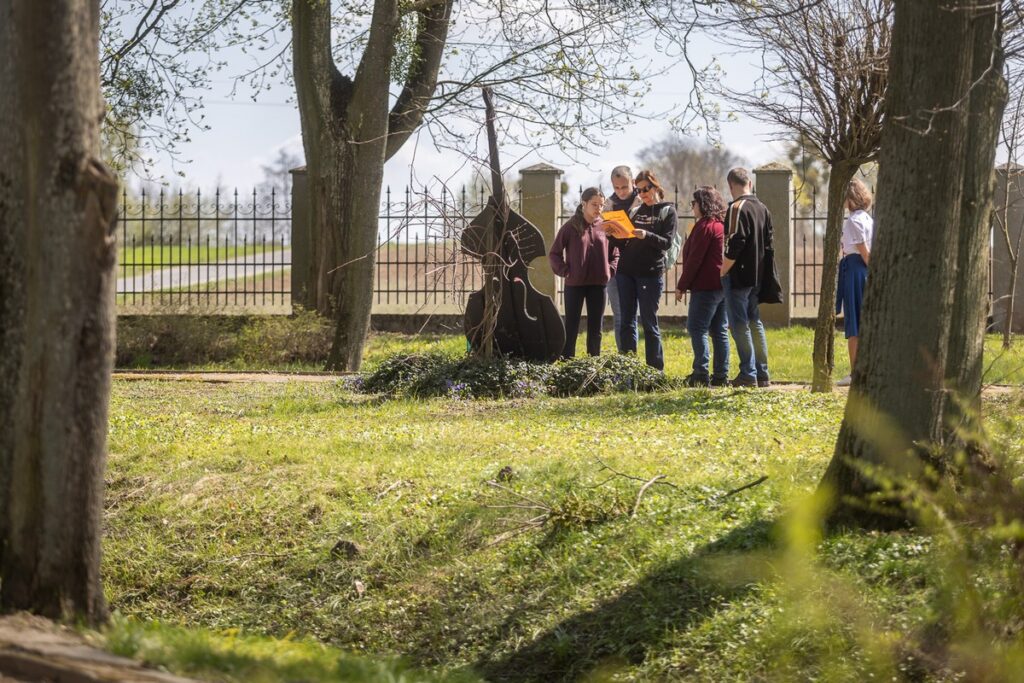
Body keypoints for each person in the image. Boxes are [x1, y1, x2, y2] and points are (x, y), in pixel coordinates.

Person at [604, 170, 677, 370]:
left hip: (650, 274)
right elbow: (624, 241)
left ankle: (654, 372)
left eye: (647, 188)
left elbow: (667, 243)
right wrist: (611, 233)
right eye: (641, 189)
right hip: (626, 272)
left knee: (649, 323)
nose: (643, 193)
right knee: (627, 322)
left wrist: (646, 235)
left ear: (656, 186)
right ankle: (629, 371)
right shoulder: (636, 211)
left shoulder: (667, 211)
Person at [549, 187, 619, 358]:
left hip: (599, 284)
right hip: (575, 284)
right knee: (571, 325)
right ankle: (567, 362)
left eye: (601, 205)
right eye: (594, 204)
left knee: (596, 327)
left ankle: (592, 361)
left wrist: (610, 270)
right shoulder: (570, 227)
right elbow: (554, 254)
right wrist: (566, 272)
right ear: (584, 204)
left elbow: (615, 252)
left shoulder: (605, 226)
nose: (598, 209)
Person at [721, 167, 772, 388]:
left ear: (731, 185)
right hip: (757, 276)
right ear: (749, 183)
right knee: (755, 322)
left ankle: (747, 373)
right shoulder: (762, 208)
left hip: (738, 275)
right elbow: (769, 242)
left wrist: (723, 270)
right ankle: (762, 373)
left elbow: (735, 242)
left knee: (739, 324)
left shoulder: (736, 207)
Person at [675, 186, 729, 387]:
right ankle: (721, 375)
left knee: (697, 328)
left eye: (694, 203)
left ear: (703, 204)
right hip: (722, 285)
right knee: (719, 330)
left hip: (706, 286)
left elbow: (694, 260)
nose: (692, 207)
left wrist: (681, 285)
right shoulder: (721, 225)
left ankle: (700, 374)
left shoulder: (705, 226)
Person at [835, 179, 874, 387]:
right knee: (862, 319)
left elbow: (863, 250)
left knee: (854, 322)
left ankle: (855, 371)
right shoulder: (868, 219)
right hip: (862, 270)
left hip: (855, 270)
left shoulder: (853, 221)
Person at [603, 166, 640, 352]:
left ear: (633, 182)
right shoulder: (608, 204)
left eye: (624, 187)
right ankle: (623, 357)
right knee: (620, 315)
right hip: (616, 265)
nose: (621, 192)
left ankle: (635, 360)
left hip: (639, 264)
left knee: (633, 316)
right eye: (617, 188)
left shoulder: (643, 201)